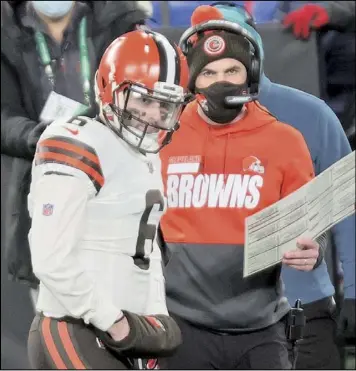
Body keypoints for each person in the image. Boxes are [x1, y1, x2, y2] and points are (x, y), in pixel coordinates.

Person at [158, 5, 325, 370]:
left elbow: (308, 228)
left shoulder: (285, 140)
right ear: (192, 81)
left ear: (248, 75)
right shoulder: (161, 136)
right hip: (181, 327)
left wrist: (314, 249)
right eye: (209, 72)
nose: (221, 82)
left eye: (232, 70)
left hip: (261, 329)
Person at [26, 29, 190, 369]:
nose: (152, 115)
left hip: (124, 334)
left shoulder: (146, 157)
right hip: (75, 326)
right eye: (144, 100)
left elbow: (145, 255)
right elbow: (51, 259)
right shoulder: (77, 140)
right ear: (108, 88)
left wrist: (152, 320)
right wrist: (116, 322)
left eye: (164, 105)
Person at [210, 3, 355, 369]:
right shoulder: (177, 126)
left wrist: (355, 289)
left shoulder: (311, 115)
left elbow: (347, 206)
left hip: (301, 312)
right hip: (211, 320)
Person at [1, 0, 149, 292]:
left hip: (114, 181)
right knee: (56, 322)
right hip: (45, 185)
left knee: (120, 312)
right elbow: (4, 116)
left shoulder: (118, 22)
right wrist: (40, 136)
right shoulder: (7, 34)